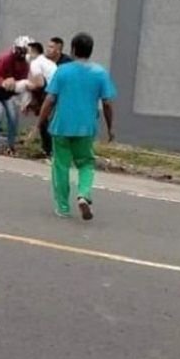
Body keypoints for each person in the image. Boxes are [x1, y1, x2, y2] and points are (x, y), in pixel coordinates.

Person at [38, 32, 117, 220]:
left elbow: (50, 99)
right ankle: (83, 195)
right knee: (86, 163)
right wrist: (110, 127)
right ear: (91, 51)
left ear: (72, 50)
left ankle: (63, 208)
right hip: (85, 128)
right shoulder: (100, 73)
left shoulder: (63, 70)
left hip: (61, 127)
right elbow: (107, 103)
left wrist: (40, 122)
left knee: (61, 166)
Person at [0, 35, 30, 154]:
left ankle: (11, 146)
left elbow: (22, 81)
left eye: (25, 51)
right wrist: (5, 83)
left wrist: (18, 91)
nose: (23, 54)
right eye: (22, 50)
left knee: (13, 116)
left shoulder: (25, 64)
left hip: (9, 91)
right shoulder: (4, 58)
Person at [14, 41, 58, 156]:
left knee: (44, 122)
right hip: (56, 92)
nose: (26, 55)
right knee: (46, 122)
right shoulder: (49, 62)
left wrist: (27, 85)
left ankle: (48, 149)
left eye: (28, 52)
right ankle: (49, 149)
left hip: (48, 93)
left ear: (33, 52)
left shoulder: (36, 63)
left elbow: (39, 84)